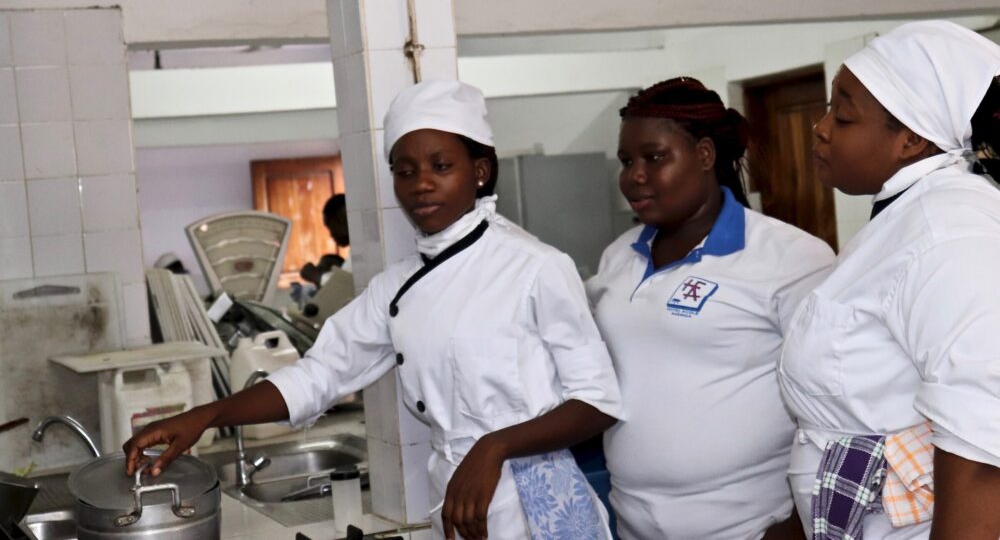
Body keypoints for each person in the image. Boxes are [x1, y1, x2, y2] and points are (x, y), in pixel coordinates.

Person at [124, 80, 624, 540]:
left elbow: (597, 401)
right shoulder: (396, 286)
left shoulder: (535, 267)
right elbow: (320, 375)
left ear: (480, 171)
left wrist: (494, 447)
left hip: (538, 501)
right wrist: (206, 415)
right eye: (405, 172)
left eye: (441, 166)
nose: (421, 184)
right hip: (456, 500)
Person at [778, 20, 1000, 539]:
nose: (821, 127)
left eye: (844, 114)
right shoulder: (907, 217)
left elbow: (984, 449)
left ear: (910, 139)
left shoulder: (947, 235)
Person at [586, 77, 834, 539]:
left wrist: (800, 524)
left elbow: (841, 404)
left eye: (654, 157)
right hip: (633, 524)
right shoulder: (619, 255)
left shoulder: (790, 258)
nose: (634, 175)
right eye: (626, 161)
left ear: (703, 155)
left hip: (751, 526)